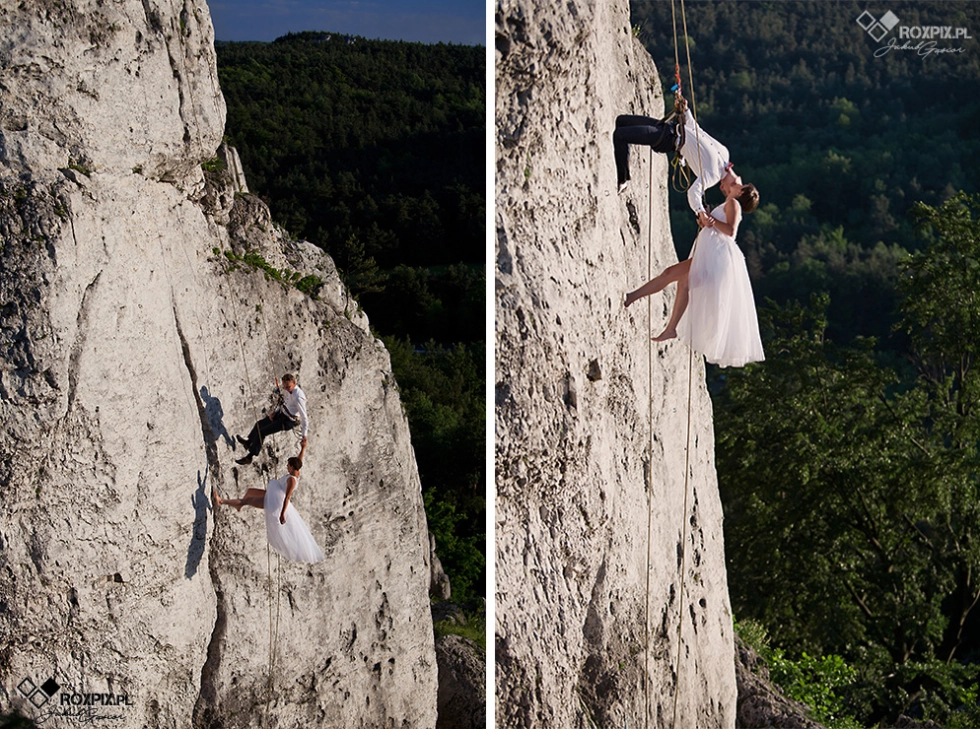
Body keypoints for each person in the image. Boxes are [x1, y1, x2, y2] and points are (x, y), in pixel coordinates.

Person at [624, 179, 765, 368]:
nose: (736, 183)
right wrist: (706, 218)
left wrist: (710, 220)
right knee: (683, 283)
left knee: (670, 274)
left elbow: (730, 232)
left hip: (716, 256)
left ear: (741, 192)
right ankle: (670, 327)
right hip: (713, 255)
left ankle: (632, 298)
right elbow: (714, 227)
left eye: (741, 186)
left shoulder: (733, 203)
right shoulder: (729, 204)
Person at [613, 98, 759, 216]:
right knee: (622, 121)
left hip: (667, 139)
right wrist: (686, 111)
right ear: (738, 191)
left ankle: (623, 180)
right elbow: (698, 131)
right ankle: (623, 169)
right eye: (727, 193)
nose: (722, 189)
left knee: (620, 136)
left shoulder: (713, 176)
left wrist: (700, 212)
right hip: (670, 128)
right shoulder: (724, 154)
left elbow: (693, 192)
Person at [213, 456, 324, 563]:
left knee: (248, 499)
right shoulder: (295, 473)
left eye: (288, 465)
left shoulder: (292, 480)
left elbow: (287, 497)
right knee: (250, 492)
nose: (286, 466)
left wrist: (282, 514)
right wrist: (303, 447)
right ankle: (237, 504)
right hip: (272, 495)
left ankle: (222, 501)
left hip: (276, 503)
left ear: (292, 466)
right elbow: (299, 460)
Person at [235, 373, 308, 466]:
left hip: (287, 421)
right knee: (259, 424)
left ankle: (249, 457)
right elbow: (284, 402)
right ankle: (248, 442)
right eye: (285, 386)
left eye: (288, 386)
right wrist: (275, 412)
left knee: (262, 432)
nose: (286, 388)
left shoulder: (299, 397)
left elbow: (304, 417)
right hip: (281, 413)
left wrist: (304, 435)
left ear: (294, 383)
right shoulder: (288, 390)